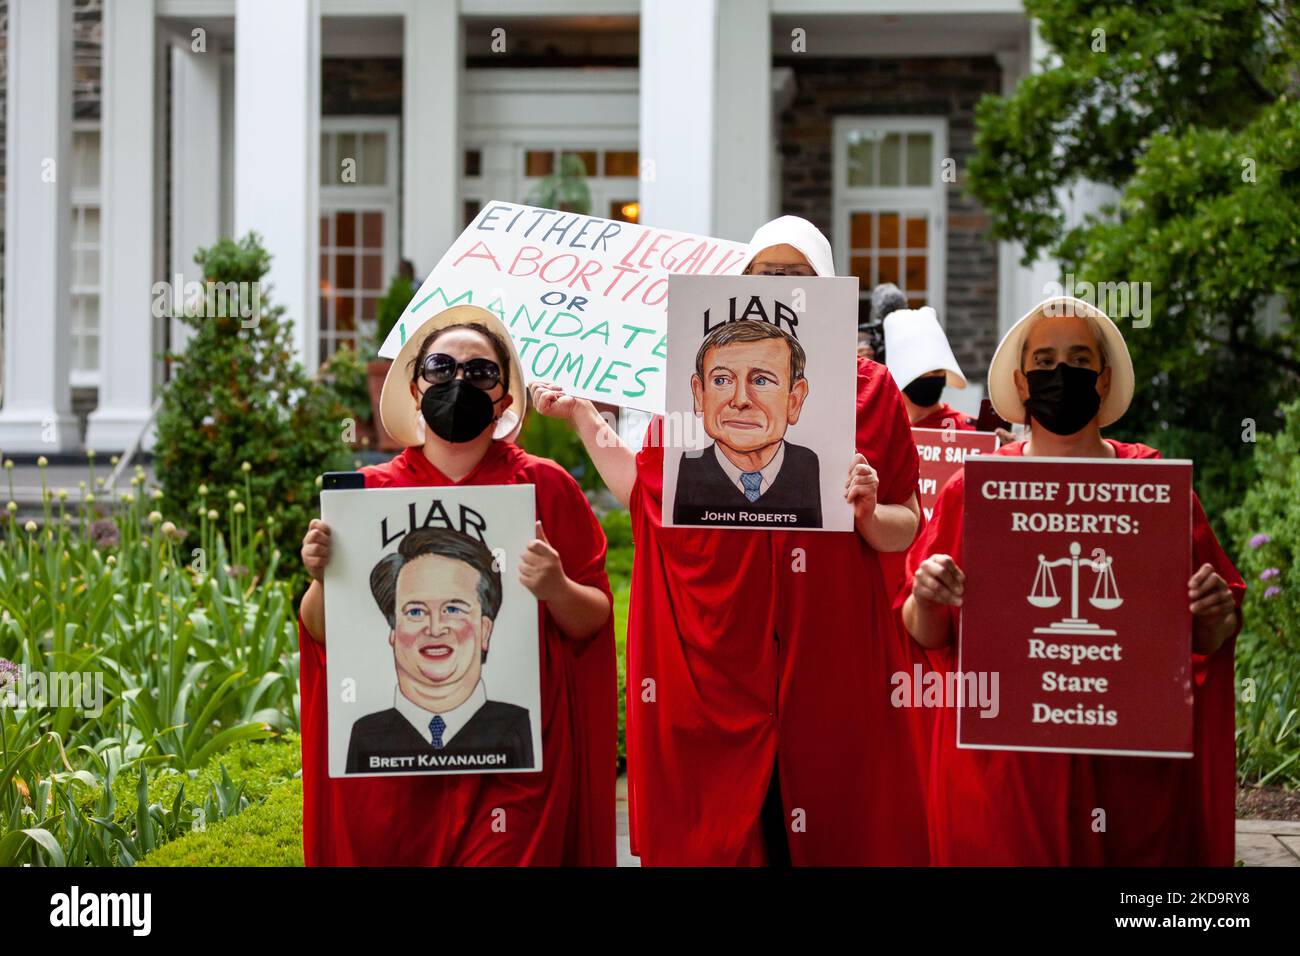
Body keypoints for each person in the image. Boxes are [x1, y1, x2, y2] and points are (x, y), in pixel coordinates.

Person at [532, 215, 930, 865]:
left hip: (832, 658)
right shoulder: (702, 387)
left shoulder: (873, 390)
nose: (778, 292)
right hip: (724, 665)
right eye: (764, 278)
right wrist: (582, 413)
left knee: (836, 824)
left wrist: (867, 511)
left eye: (796, 280)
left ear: (826, 293)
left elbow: (906, 525)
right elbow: (648, 494)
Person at [899, 296, 1244, 865]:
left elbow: (1208, 636)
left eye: (1080, 361)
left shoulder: (1156, 490)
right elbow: (925, 633)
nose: (1063, 374)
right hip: (1007, 773)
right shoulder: (974, 490)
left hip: (1127, 770)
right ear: (1022, 382)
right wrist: (928, 595)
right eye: (1046, 361)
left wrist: (1214, 615)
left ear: (1104, 381)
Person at [297, 303, 617, 866]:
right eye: (442, 369)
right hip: (393, 784)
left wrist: (556, 585)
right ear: (416, 389)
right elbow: (325, 633)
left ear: (506, 398)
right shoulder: (365, 496)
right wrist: (324, 580)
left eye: (480, 372)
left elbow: (593, 619)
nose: (459, 382)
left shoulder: (548, 486)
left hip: (515, 771)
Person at [345, 527, 534, 774]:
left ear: (485, 630)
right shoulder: (365, 736)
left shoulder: (519, 727)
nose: (435, 629)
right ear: (392, 630)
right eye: (415, 612)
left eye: (453, 610)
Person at [674, 321, 821, 528]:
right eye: (721, 380)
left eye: (761, 381)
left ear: (794, 400)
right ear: (699, 394)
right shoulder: (682, 470)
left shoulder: (815, 469)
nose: (740, 400)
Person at [884, 306, 977, 431]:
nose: (930, 376)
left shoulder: (970, 430)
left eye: (937, 370)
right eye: (921, 372)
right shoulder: (885, 432)